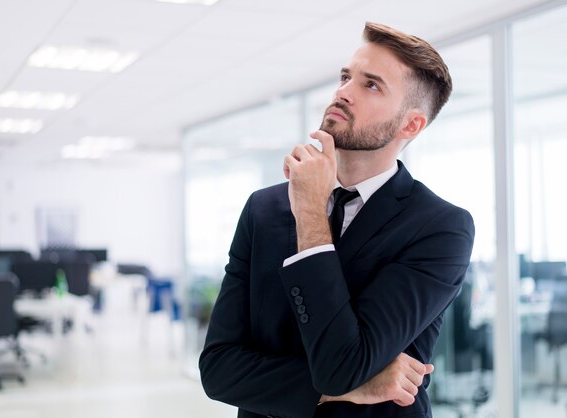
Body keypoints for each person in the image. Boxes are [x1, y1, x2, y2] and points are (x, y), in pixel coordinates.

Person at [199, 22, 475, 418]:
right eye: (346, 77)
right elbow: (217, 370)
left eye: (371, 85)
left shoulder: (439, 227)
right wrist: (353, 388)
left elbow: (341, 366)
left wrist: (310, 209)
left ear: (410, 124)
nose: (343, 91)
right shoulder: (263, 209)